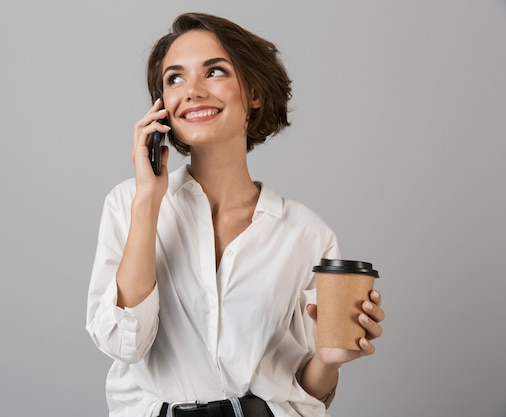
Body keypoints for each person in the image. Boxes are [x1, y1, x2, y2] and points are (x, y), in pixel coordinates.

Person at [86, 12, 385, 417]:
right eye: (175, 78)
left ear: (254, 93)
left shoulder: (306, 234)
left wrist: (329, 360)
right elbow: (124, 343)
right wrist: (148, 200)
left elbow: (304, 393)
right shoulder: (129, 204)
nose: (191, 91)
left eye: (214, 72)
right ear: (162, 107)